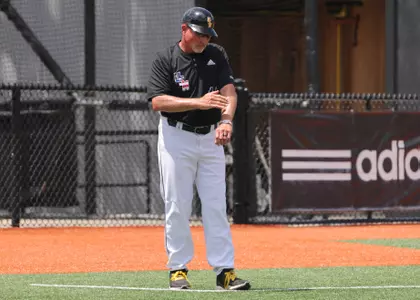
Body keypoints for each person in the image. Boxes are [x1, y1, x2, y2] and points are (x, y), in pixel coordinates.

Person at [146, 6, 250, 291]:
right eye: (199, 33)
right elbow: (157, 102)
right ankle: (178, 269)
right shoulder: (165, 58)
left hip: (210, 139)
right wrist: (199, 102)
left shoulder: (216, 55)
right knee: (177, 204)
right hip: (175, 137)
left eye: (208, 34)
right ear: (184, 29)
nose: (204, 39)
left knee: (216, 205)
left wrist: (226, 119)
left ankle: (225, 272)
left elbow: (229, 91)